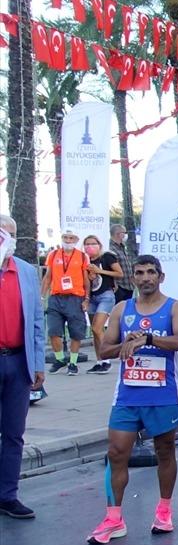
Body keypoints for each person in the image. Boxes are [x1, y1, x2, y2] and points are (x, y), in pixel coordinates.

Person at [87, 256, 178, 544]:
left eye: (151, 272)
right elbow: (104, 350)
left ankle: (164, 511)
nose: (145, 278)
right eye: (140, 273)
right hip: (128, 396)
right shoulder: (122, 309)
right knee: (117, 453)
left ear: (161, 277)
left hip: (162, 394)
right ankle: (114, 519)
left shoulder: (175, 308)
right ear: (133, 278)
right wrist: (126, 343)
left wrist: (149, 339)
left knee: (165, 452)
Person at [0, 215, 46, 520]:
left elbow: (37, 320)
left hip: (18, 361)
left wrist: (39, 363)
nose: (6, 238)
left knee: (14, 433)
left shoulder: (26, 272)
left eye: (10, 233)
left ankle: (7, 495)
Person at [41, 229, 90, 375]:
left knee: (76, 332)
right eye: (65, 237)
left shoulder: (82, 256)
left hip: (75, 297)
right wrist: (41, 297)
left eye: (71, 238)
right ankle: (60, 359)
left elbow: (86, 279)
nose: (68, 240)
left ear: (76, 240)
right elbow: (48, 277)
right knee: (53, 331)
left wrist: (87, 299)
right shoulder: (53, 254)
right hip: (56, 297)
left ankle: (73, 363)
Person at [82, 234, 123, 374]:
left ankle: (107, 359)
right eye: (87, 244)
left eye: (93, 243)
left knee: (97, 327)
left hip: (106, 295)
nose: (90, 246)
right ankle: (99, 361)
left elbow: (119, 273)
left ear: (99, 245)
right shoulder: (85, 261)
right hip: (92, 296)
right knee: (95, 331)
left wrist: (100, 271)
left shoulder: (107, 257)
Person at [109, 224, 135, 304]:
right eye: (124, 233)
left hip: (128, 285)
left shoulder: (122, 247)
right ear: (118, 234)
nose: (125, 235)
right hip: (119, 286)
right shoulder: (110, 248)